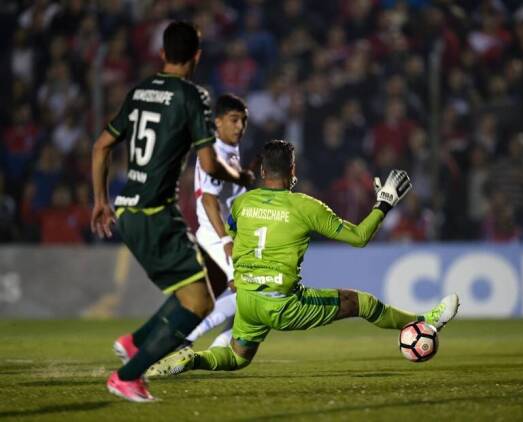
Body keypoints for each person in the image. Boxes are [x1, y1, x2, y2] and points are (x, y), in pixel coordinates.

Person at [147, 140, 459, 377]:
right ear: (292, 171)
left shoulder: (243, 203)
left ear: (263, 172)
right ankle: (425, 322)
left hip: (247, 299)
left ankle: (193, 358)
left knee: (238, 357)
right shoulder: (306, 207)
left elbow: (232, 232)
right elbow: (359, 237)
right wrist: (384, 204)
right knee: (360, 303)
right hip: (280, 303)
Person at [90, 21, 253, 402]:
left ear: (162, 54)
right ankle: (127, 376)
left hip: (127, 209)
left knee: (206, 279)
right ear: (197, 56)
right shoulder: (192, 96)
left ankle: (136, 342)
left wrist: (100, 201)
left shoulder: (139, 90)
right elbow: (210, 165)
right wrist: (242, 176)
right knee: (199, 302)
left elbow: (101, 147)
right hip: (154, 214)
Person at [183, 93, 249, 349]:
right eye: (234, 120)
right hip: (217, 235)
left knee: (249, 300)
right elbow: (209, 200)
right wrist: (225, 239)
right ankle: (183, 340)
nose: (240, 126)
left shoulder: (230, 148)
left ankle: (216, 351)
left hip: (230, 234)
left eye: (243, 120)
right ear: (218, 122)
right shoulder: (214, 152)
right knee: (247, 293)